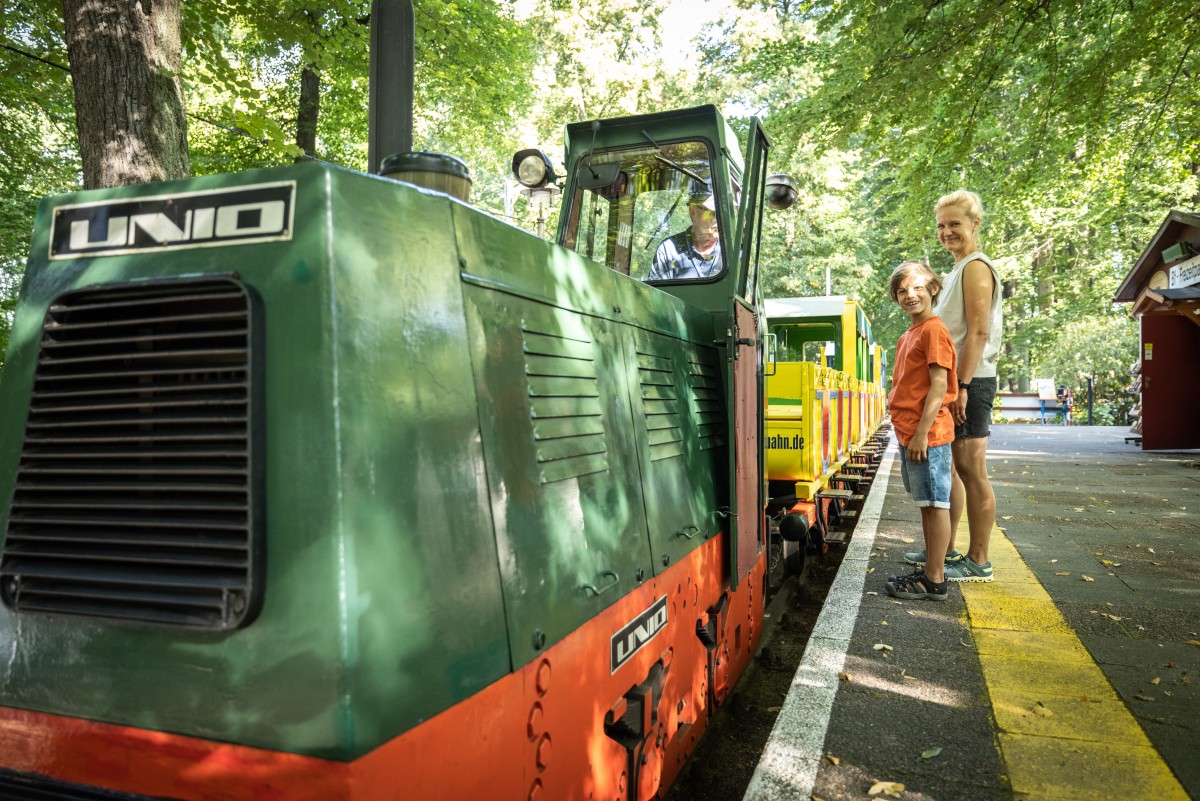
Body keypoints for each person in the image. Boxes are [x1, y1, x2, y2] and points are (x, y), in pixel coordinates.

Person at [905, 189, 1002, 583]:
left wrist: (960, 386)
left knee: (971, 468)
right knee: (954, 470)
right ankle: (944, 550)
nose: (947, 232)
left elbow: (977, 333)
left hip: (971, 381)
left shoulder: (977, 267)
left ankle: (979, 560)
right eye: (941, 226)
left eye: (955, 224)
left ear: (975, 224)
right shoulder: (958, 269)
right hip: (959, 382)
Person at [884, 260, 958, 601]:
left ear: (933, 289)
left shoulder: (933, 331)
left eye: (916, 288)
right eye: (902, 291)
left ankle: (935, 579)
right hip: (910, 431)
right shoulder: (909, 335)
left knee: (935, 504)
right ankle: (932, 569)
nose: (909, 295)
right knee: (927, 504)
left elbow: (939, 386)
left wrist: (921, 435)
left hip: (926, 434)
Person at [648, 192, 722, 280]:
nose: (721, 220)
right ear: (694, 212)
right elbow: (656, 292)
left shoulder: (732, 251)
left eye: (724, 215)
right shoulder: (669, 250)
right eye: (715, 214)